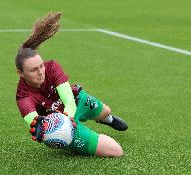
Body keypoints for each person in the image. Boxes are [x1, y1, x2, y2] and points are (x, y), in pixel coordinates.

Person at [15, 12, 128, 157]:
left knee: (106, 111)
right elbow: (32, 118)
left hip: (75, 102)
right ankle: (80, 140)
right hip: (61, 128)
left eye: (41, 66)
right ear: (21, 73)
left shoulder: (52, 67)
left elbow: (68, 99)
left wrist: (68, 116)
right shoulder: (23, 96)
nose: (41, 72)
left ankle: (108, 120)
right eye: (33, 70)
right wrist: (39, 125)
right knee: (116, 151)